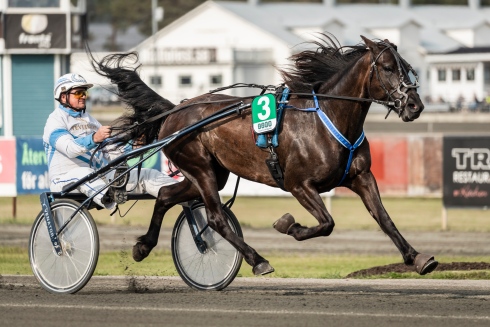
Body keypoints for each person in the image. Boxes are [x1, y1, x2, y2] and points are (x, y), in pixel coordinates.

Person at [43, 73, 177, 210]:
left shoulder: (91, 121)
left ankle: (184, 194)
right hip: (65, 181)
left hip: (97, 179)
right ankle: (110, 195)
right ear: (63, 96)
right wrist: (94, 138)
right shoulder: (55, 121)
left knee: (148, 174)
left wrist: (133, 145)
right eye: (78, 93)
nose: (83, 96)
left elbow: (109, 152)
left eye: (84, 92)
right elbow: (69, 148)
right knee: (83, 173)